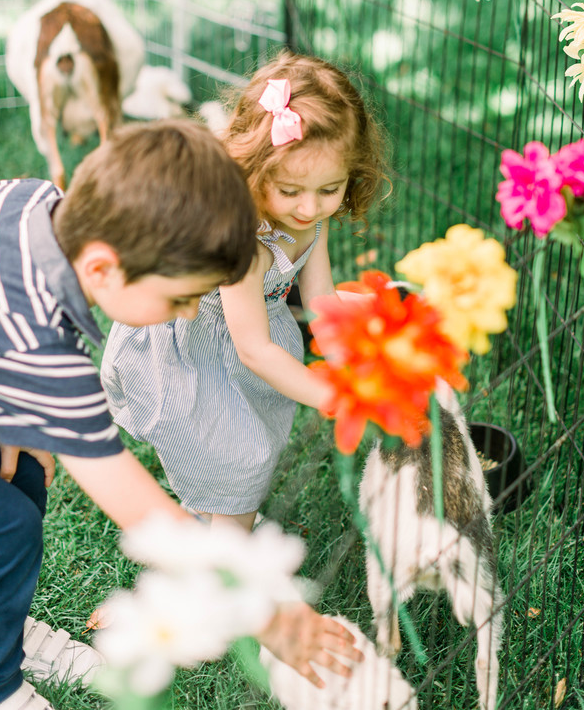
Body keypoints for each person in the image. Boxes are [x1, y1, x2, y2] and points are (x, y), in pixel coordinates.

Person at [0, 119, 362, 710]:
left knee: (21, 473)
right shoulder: (33, 345)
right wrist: (268, 614)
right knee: (3, 525)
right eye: (180, 297)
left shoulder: (33, 203)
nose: (187, 316)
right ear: (105, 269)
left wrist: (3, 411)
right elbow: (138, 505)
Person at [100, 52, 390, 534]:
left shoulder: (310, 220)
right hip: (198, 351)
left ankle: (221, 520)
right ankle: (224, 572)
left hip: (252, 342)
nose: (309, 207)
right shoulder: (244, 240)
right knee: (239, 458)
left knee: (249, 445)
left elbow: (320, 301)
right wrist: (330, 396)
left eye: (329, 189)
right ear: (257, 169)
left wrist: (347, 362)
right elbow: (253, 349)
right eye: (291, 189)